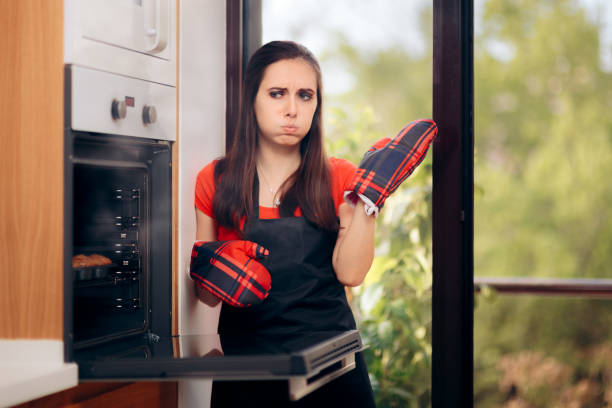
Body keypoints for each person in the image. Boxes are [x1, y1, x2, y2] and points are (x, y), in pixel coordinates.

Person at [193, 40, 377, 407]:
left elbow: (352, 273)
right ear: (252, 100)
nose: (292, 109)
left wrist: (371, 202)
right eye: (277, 93)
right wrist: (218, 266)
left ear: (316, 106)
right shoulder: (215, 181)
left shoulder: (342, 178)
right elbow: (206, 297)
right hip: (249, 376)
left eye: (305, 96)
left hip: (332, 374)